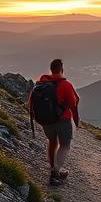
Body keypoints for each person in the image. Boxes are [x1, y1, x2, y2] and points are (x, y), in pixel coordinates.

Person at [28, 58, 80, 186]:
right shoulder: (65, 85)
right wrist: (76, 120)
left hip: (45, 121)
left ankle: (53, 167)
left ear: (50, 70)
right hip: (62, 121)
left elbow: (30, 105)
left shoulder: (40, 84)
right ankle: (55, 172)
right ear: (62, 69)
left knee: (52, 142)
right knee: (64, 146)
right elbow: (73, 104)